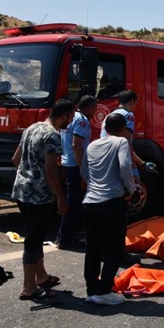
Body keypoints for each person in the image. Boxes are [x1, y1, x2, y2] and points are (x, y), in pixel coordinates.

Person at [11, 99, 75, 300]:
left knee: (35, 236)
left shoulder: (32, 128)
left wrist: (27, 177)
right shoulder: (53, 136)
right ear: (64, 116)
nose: (70, 122)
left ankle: (41, 277)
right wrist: (61, 198)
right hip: (39, 196)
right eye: (70, 118)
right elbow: (51, 171)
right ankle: (28, 288)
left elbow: (15, 160)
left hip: (22, 190)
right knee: (33, 240)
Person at [81, 113, 137, 305]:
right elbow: (124, 166)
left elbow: (84, 171)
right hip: (112, 201)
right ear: (122, 129)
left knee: (93, 248)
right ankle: (104, 291)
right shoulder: (121, 142)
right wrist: (130, 189)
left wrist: (95, 185)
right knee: (114, 249)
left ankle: (91, 290)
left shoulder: (92, 145)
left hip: (90, 202)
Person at [56, 95, 97, 249]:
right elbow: (76, 145)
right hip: (75, 165)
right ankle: (64, 237)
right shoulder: (82, 121)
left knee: (74, 201)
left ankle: (69, 232)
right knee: (74, 202)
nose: (95, 112)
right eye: (95, 108)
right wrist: (83, 170)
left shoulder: (71, 118)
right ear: (88, 107)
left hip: (68, 162)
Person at [101, 90, 144, 181]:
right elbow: (126, 144)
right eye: (135, 104)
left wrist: (141, 162)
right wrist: (134, 169)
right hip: (118, 161)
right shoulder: (128, 115)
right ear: (132, 102)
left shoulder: (108, 116)